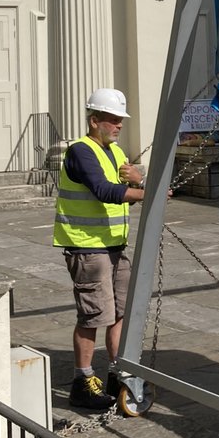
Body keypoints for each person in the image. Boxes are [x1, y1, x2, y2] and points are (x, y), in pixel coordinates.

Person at [53, 88, 146, 410]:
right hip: (87, 246)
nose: (119, 126)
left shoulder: (116, 153)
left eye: (121, 121)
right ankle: (83, 380)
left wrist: (136, 178)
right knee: (94, 316)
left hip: (114, 245)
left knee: (119, 312)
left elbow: (125, 186)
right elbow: (104, 191)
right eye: (113, 121)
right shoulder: (81, 151)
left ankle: (117, 373)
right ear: (94, 121)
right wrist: (146, 191)